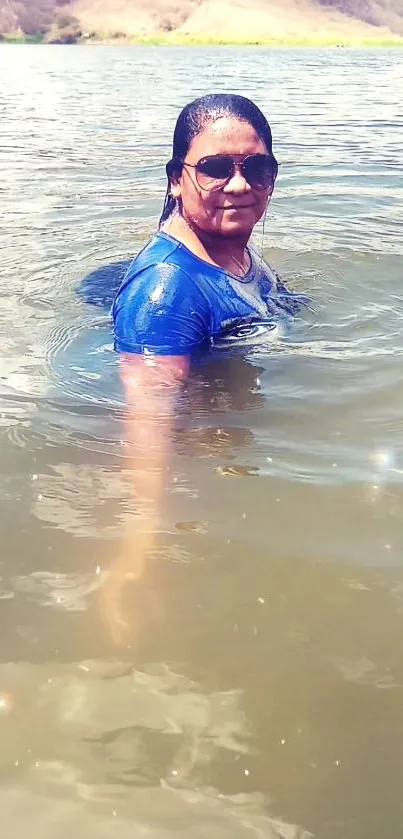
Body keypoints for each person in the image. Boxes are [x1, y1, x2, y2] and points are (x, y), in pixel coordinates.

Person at [101, 93, 307, 643]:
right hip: (205, 454)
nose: (239, 185)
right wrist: (137, 551)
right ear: (176, 178)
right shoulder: (167, 294)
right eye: (215, 168)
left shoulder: (234, 249)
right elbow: (148, 413)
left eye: (257, 167)